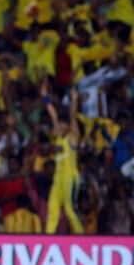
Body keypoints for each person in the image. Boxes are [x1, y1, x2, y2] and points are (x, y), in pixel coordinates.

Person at [43, 83, 84, 234]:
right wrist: (45, 96)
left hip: (70, 176)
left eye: (62, 125)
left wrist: (74, 100)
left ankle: (82, 236)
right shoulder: (58, 139)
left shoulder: (72, 138)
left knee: (70, 209)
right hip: (58, 177)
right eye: (58, 125)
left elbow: (72, 117)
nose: (59, 127)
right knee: (53, 207)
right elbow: (52, 114)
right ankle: (48, 237)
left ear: (67, 127)